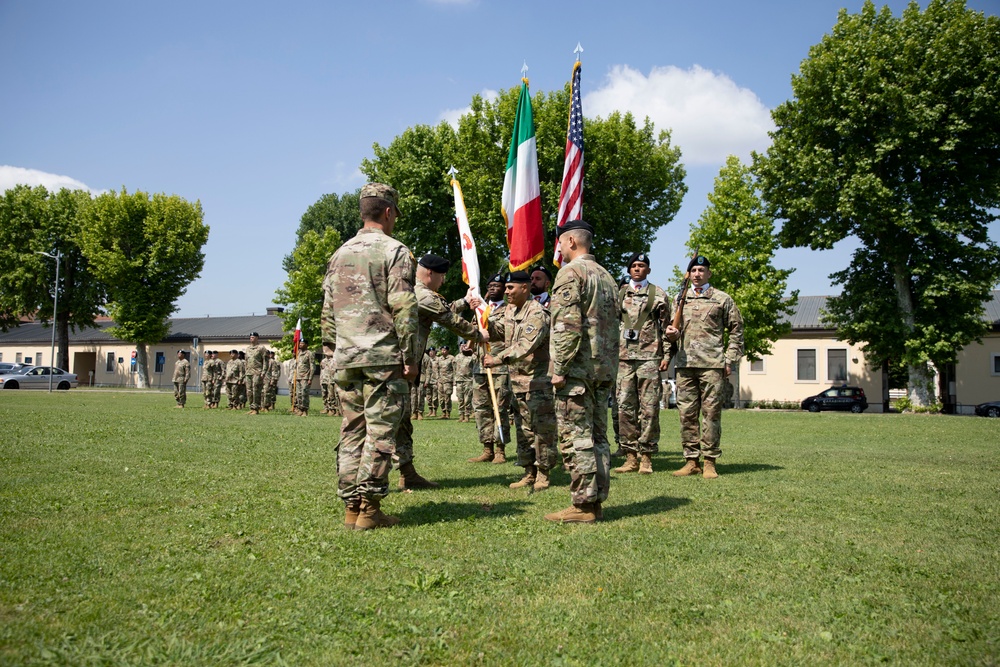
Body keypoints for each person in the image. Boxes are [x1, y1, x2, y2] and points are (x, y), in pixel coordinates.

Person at [321, 182, 418, 530]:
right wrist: (410, 356)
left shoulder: (340, 253)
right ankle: (370, 509)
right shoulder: (395, 251)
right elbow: (404, 307)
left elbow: (328, 310)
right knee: (380, 433)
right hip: (382, 358)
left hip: (346, 358)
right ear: (389, 212)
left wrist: (331, 352)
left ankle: (351, 508)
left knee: (351, 431)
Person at [545, 220, 619, 523]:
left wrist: (559, 367)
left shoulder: (571, 272)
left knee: (577, 437)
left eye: (561, 243)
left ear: (572, 241)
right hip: (603, 369)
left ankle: (583, 505)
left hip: (577, 369)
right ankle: (597, 499)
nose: (559, 249)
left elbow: (567, 325)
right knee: (599, 437)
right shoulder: (608, 276)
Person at [395, 253, 484, 490]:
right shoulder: (421, 293)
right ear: (430, 273)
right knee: (393, 421)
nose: (443, 281)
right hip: (399, 366)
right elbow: (448, 318)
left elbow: (441, 309)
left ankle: (407, 472)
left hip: (402, 366)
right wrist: (478, 334)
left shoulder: (420, 294)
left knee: (402, 421)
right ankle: (376, 478)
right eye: (442, 276)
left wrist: (465, 302)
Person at [664, 255, 744, 479]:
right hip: (685, 364)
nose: (697, 274)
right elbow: (672, 330)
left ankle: (709, 461)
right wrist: (670, 336)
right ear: (688, 275)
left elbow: (736, 329)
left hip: (711, 365)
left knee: (711, 414)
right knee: (687, 415)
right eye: (694, 271)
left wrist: (730, 359)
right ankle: (691, 461)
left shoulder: (722, 299)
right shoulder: (680, 299)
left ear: (709, 273)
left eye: (702, 270)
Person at [483, 270, 557, 491]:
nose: (506, 292)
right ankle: (528, 471)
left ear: (524, 288)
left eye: (510, 288)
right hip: (517, 381)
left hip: (537, 381)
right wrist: (482, 321)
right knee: (523, 429)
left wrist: (496, 359)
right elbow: (500, 333)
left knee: (542, 430)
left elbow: (525, 345)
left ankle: (543, 472)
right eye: (505, 288)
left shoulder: (537, 314)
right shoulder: (510, 312)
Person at [614, 252, 672, 475]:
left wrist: (667, 355)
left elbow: (667, 328)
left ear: (648, 270)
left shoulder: (658, 294)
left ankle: (646, 456)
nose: (637, 269)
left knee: (649, 408)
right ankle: (630, 456)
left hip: (649, 357)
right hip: (623, 358)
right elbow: (611, 325)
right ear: (629, 270)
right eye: (634, 266)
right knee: (625, 408)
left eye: (642, 266)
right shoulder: (619, 294)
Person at [467, 273, 513, 464]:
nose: (493, 288)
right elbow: (472, 331)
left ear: (504, 289)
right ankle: (487, 448)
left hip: (499, 365)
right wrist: (468, 347)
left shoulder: (510, 309)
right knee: (481, 407)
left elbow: (506, 332)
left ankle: (500, 449)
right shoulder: (480, 310)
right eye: (490, 285)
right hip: (480, 366)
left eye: (497, 285)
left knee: (499, 407)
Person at [244, 332, 268, 415]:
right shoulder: (247, 349)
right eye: (250, 337)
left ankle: (256, 408)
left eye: (253, 337)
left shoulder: (261, 348)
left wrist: (263, 372)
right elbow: (246, 361)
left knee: (256, 390)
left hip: (257, 372)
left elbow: (265, 361)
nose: (251, 338)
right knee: (249, 391)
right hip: (248, 372)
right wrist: (245, 371)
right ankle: (251, 407)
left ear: (257, 338)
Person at [454, 342, 476, 422]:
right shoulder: (457, 357)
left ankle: (467, 416)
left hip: (468, 380)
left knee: (467, 399)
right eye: (461, 345)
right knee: (460, 399)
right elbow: (454, 369)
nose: (463, 346)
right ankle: (461, 415)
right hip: (459, 380)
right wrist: (454, 379)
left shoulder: (472, 357)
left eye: (465, 345)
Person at [293, 343, 315, 416]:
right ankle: (300, 409)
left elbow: (312, 366)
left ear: (306, 345)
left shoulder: (309, 353)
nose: (300, 345)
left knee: (304, 393)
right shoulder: (298, 353)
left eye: (302, 343)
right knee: (298, 394)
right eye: (300, 343)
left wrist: (310, 378)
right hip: (298, 377)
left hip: (305, 377)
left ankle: (305, 410)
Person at [436, 345, 455, 419]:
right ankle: (443, 412)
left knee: (447, 397)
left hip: (448, 380)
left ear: (447, 351)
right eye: (442, 350)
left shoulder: (451, 358)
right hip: (440, 380)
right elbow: (436, 369)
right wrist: (437, 378)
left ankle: (448, 413)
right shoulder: (439, 359)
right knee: (441, 398)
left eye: (445, 350)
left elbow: (454, 369)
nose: (443, 351)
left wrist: (454, 380)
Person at [320, 351, 338, 415]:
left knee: (332, 395)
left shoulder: (334, 360)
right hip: (324, 379)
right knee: (324, 395)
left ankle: (334, 409)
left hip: (332, 380)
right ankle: (326, 408)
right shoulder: (323, 361)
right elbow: (322, 370)